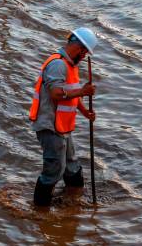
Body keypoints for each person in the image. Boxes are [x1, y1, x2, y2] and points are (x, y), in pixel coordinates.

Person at [30, 27, 98, 206]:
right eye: (84, 53)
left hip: (62, 125)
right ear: (79, 48)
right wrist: (83, 91)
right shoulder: (58, 64)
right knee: (54, 169)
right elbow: (55, 93)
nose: (84, 57)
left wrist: (84, 112)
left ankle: (74, 200)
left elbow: (72, 93)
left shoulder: (70, 66)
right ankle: (40, 209)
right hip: (50, 125)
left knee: (72, 166)